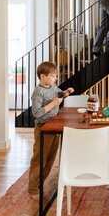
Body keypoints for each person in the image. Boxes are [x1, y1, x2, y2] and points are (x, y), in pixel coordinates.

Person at [28, 61, 74, 200]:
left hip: (54, 125)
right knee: (40, 158)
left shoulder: (52, 86)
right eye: (53, 76)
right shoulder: (38, 93)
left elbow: (57, 94)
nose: (55, 79)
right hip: (43, 127)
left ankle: (40, 183)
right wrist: (53, 103)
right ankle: (32, 188)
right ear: (43, 76)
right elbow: (36, 113)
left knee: (50, 158)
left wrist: (65, 93)